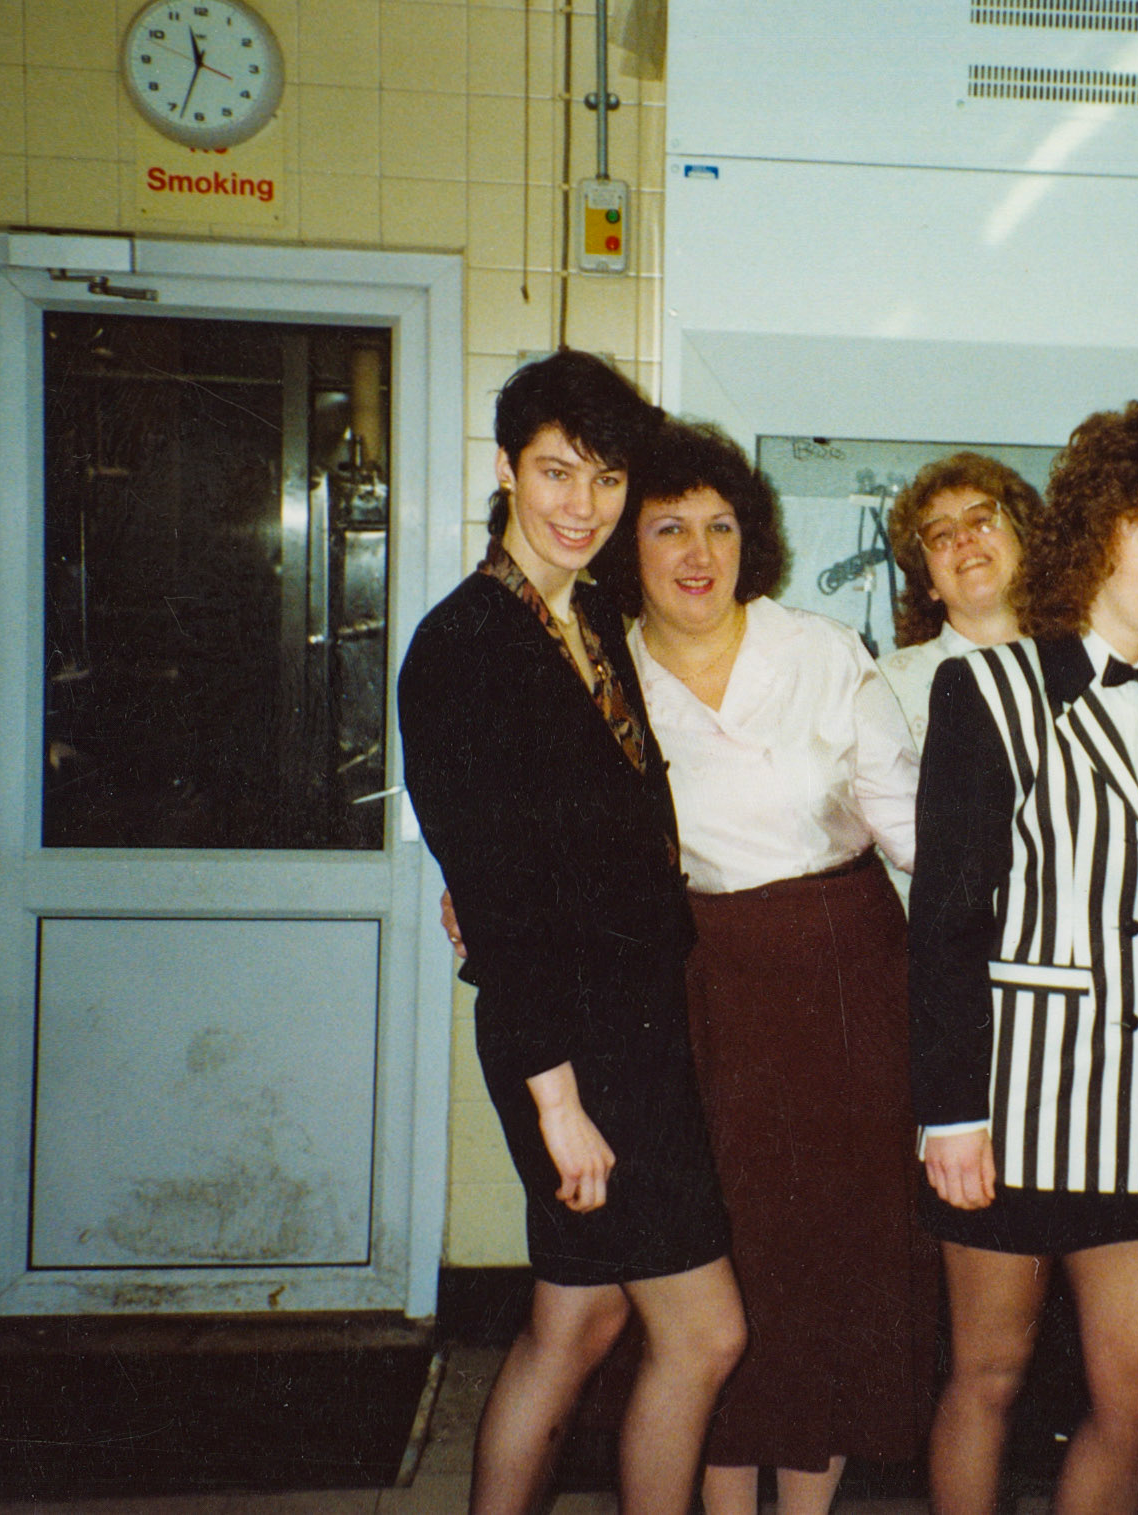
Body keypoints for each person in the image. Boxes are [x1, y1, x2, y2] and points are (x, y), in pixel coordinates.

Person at [397, 352, 746, 1515]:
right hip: (574, 1047)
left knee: (580, 1319)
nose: (581, 506)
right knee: (702, 1337)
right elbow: (498, 907)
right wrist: (558, 1105)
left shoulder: (587, 611)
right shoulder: (465, 649)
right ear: (505, 469)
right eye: (555, 472)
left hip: (627, 1024)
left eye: (604, 479)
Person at [591, 417, 934, 1515]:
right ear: (627, 546)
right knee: (736, 1265)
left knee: (840, 1260)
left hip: (845, 982)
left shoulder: (820, 651)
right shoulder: (604, 678)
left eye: (721, 527)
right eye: (669, 527)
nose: (698, 553)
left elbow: (908, 830)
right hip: (703, 994)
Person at [910, 403, 1138, 1515]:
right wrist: (947, 1113)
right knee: (989, 1374)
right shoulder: (991, 691)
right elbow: (947, 922)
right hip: (1011, 1103)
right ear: (1096, 536)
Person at [878, 452, 1041, 750]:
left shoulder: (1080, 667)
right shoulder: (886, 686)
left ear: (1026, 545)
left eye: (981, 520)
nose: (963, 538)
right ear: (929, 583)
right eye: (940, 535)